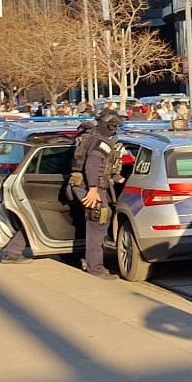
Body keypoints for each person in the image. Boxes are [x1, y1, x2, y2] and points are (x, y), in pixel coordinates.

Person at [68, 109, 124, 279]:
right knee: (98, 222)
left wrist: (117, 177)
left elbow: (104, 165)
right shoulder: (100, 142)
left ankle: (91, 263)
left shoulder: (90, 138)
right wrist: (93, 189)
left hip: (82, 185)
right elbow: (92, 165)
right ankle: (95, 268)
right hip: (91, 188)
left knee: (94, 224)